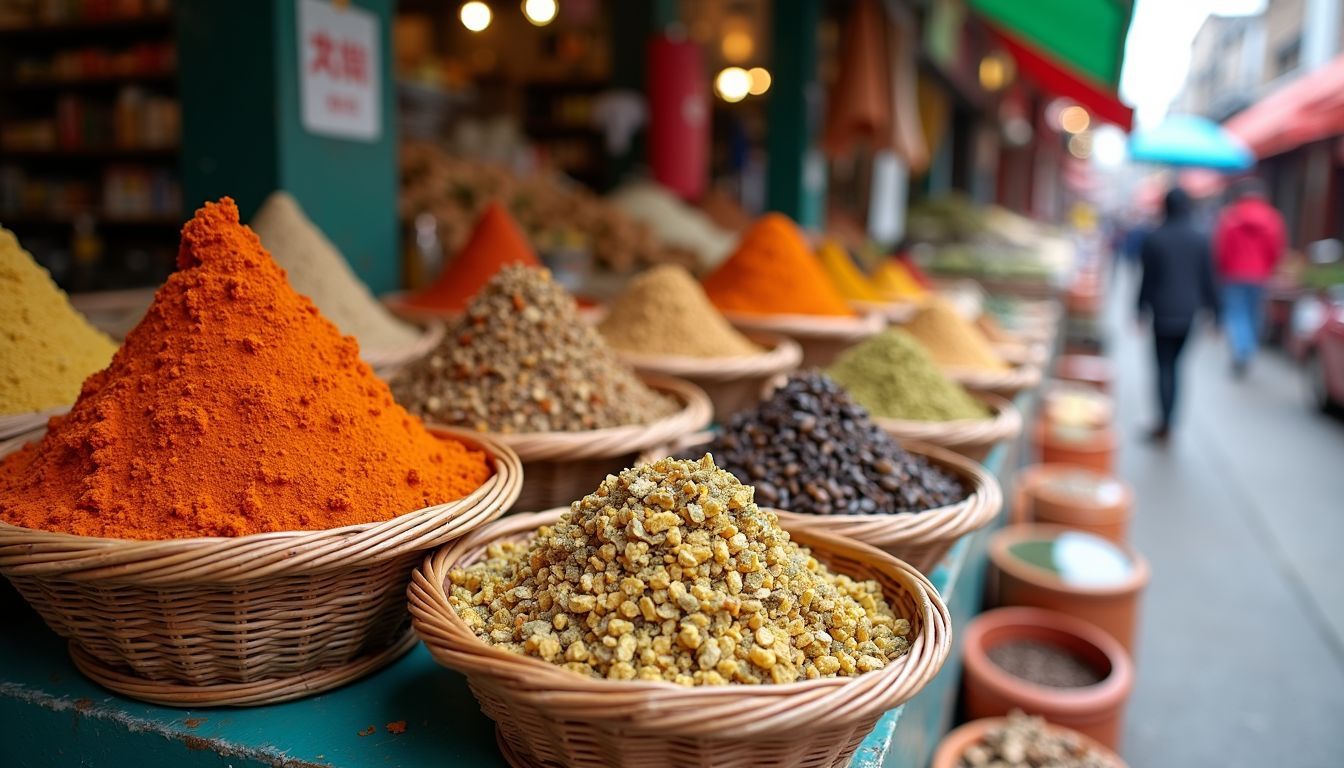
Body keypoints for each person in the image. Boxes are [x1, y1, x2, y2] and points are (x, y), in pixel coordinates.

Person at [1137, 188, 1220, 443]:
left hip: (1162, 312)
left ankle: (1164, 423)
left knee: (1163, 367)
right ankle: (1169, 421)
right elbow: (1209, 279)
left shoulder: (1155, 237)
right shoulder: (1201, 238)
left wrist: (1139, 308)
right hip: (1188, 313)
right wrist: (1215, 312)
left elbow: (1147, 279)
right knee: (1176, 367)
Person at [1214, 177, 1286, 377]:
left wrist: (1222, 270)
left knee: (1236, 313)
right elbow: (1276, 249)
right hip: (1260, 275)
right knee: (1254, 314)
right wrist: (1270, 269)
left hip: (1234, 274)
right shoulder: (1272, 218)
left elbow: (1221, 249)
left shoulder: (1230, 217)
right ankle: (1247, 348)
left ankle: (1240, 349)